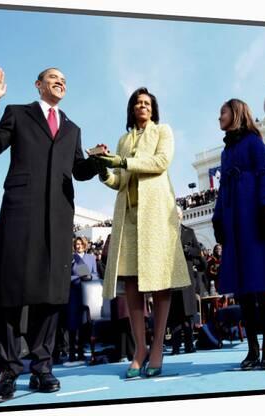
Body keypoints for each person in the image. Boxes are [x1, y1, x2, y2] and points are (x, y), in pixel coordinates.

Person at [0, 67, 97, 404]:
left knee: (51, 292)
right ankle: (9, 371)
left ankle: (43, 366)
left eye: (65, 79)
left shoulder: (72, 128)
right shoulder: (17, 113)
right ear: (38, 84)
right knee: (13, 290)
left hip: (58, 217)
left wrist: (97, 161)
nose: (61, 81)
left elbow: (79, 170)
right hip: (21, 211)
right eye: (54, 77)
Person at [92, 87, 190, 378]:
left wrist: (122, 162)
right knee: (131, 283)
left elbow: (161, 163)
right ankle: (140, 348)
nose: (142, 106)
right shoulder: (123, 140)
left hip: (156, 214)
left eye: (147, 103)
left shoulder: (163, 132)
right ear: (131, 109)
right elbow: (120, 180)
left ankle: (158, 345)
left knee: (160, 281)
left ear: (153, 108)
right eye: (137, 103)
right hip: (129, 215)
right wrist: (103, 170)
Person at [212, 98, 265, 371]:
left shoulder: (254, 141)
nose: (219, 116)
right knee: (242, 287)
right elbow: (222, 187)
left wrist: (264, 207)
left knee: (261, 284)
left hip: (252, 215)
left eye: (223, 111)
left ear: (236, 113)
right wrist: (217, 216)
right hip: (232, 218)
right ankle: (252, 348)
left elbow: (264, 175)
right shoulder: (226, 151)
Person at [168, 206, 201, 355]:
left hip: (187, 278)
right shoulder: (166, 233)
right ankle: (175, 347)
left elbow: (198, 252)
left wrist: (188, 250)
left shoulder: (189, 232)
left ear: (181, 216)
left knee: (188, 315)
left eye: (178, 214)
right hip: (172, 278)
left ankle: (189, 345)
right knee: (175, 316)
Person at [64, 236, 99, 362]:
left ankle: (81, 351)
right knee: (73, 323)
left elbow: (96, 274)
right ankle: (72, 352)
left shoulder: (91, 258)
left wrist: (89, 277)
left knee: (85, 323)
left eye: (80, 244)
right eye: (76, 244)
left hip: (87, 294)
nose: (78, 246)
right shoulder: (71, 258)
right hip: (74, 293)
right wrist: (78, 278)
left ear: (84, 245)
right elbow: (67, 276)